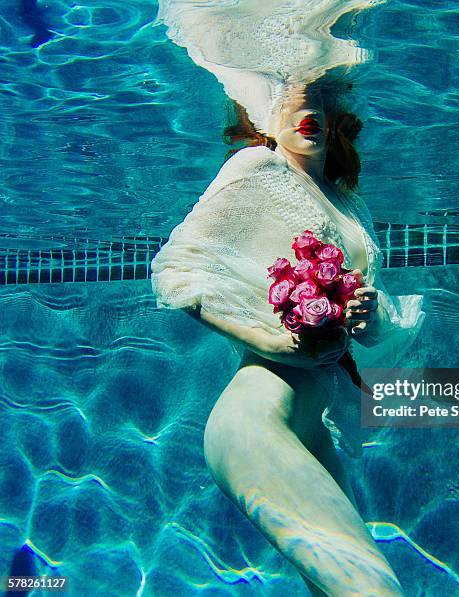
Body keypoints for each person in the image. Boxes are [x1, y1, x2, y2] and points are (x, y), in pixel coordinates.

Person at [150, 83, 424, 596]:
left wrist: (370, 321)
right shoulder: (258, 168)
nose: (306, 111)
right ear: (258, 113)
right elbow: (175, 271)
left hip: (312, 426)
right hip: (254, 422)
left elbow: (376, 310)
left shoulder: (347, 201)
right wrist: (267, 341)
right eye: (285, 98)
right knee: (375, 590)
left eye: (317, 99)